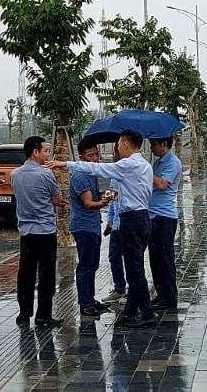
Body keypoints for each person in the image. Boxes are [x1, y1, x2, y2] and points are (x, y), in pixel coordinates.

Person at [47, 129, 155, 328]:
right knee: (133, 268)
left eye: (118, 144)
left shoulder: (128, 164)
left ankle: (147, 313)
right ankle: (131, 312)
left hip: (133, 220)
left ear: (124, 144)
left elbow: (99, 170)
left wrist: (65, 164)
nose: (117, 148)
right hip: (140, 218)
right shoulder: (144, 165)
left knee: (135, 270)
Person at [11, 136, 64, 327]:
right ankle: (43, 314)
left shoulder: (15, 175)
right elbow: (57, 199)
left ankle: (24, 314)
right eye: (45, 151)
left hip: (26, 232)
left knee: (25, 273)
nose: (47, 154)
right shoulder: (45, 174)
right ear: (35, 152)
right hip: (45, 231)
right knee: (46, 274)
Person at [69, 139, 112, 316]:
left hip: (92, 225)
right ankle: (85, 302)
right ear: (81, 157)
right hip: (84, 226)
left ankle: (90, 297)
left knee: (93, 263)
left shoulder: (91, 173)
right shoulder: (80, 175)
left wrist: (101, 195)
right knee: (86, 264)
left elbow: (93, 197)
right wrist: (105, 201)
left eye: (96, 154)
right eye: (90, 155)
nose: (95, 158)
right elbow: (88, 203)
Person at [147, 137, 182, 311]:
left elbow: (161, 184)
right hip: (153, 215)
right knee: (155, 259)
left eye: (154, 144)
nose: (152, 148)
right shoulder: (158, 162)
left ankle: (169, 297)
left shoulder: (173, 162)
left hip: (164, 217)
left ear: (164, 144)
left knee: (165, 258)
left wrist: (146, 171)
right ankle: (160, 294)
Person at [101, 144, 126, 304]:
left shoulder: (130, 172)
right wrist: (109, 222)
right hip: (116, 224)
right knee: (114, 256)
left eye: (116, 151)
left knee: (131, 258)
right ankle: (120, 287)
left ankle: (127, 288)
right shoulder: (115, 175)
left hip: (129, 222)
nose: (113, 154)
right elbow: (112, 201)